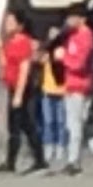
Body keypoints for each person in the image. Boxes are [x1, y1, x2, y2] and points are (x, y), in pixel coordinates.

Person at [59, 3, 93, 175]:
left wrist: (64, 58)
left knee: (74, 125)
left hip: (80, 85)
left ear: (81, 18)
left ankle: (73, 162)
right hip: (72, 84)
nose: (68, 20)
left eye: (71, 16)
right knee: (79, 125)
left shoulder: (85, 36)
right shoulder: (72, 35)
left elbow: (79, 63)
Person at [0, 10, 46, 174]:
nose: (7, 25)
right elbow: (5, 65)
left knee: (27, 125)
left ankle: (39, 159)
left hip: (24, 89)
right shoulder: (8, 42)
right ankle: (11, 161)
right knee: (16, 126)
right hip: (12, 86)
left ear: (20, 25)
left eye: (11, 22)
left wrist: (18, 94)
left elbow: (25, 69)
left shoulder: (23, 42)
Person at [38, 24, 68, 169]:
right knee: (48, 122)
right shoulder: (46, 51)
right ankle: (48, 146)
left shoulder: (63, 50)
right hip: (47, 89)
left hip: (62, 90)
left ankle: (60, 147)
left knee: (61, 122)